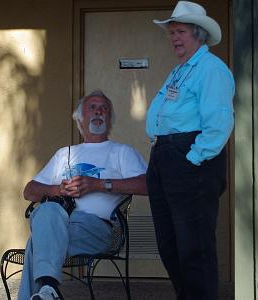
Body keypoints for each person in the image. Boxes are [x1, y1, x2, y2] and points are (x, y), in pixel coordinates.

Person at [18, 90, 147, 300]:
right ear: (80, 118)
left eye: (103, 108)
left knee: (38, 243)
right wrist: (57, 190)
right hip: (59, 222)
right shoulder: (64, 154)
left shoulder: (122, 152)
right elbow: (29, 191)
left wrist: (99, 184)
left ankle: (48, 290)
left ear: (109, 119)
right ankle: (48, 291)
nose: (98, 112)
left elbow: (148, 185)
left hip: (98, 229)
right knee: (49, 209)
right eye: (92, 108)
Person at [145, 2, 235, 300]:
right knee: (169, 244)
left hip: (190, 159)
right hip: (165, 158)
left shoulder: (211, 69)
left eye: (181, 32)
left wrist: (191, 160)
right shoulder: (181, 70)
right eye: (172, 33)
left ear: (199, 34)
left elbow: (218, 124)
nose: (175, 38)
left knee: (194, 247)